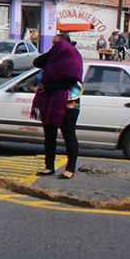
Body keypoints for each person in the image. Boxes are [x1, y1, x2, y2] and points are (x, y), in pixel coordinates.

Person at [31, 33, 83, 180]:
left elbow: (71, 79)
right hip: (51, 100)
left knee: (68, 134)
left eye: (56, 44)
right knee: (49, 134)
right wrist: (51, 52)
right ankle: (49, 166)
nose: (53, 46)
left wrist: (50, 88)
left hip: (69, 100)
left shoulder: (73, 56)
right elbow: (37, 62)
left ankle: (70, 168)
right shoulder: (54, 57)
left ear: (64, 43)